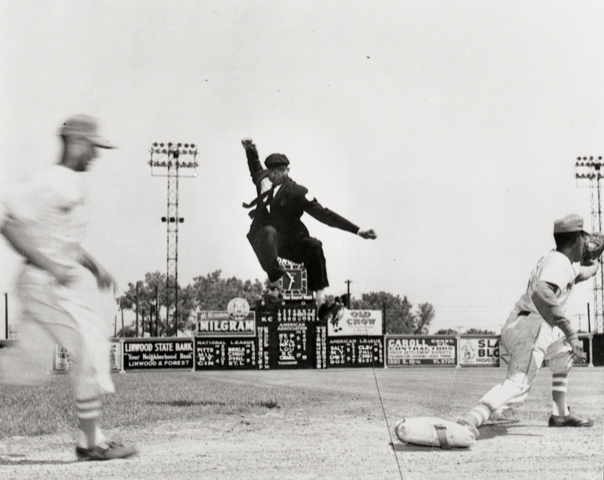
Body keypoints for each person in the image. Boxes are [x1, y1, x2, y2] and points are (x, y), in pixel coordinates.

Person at [0, 115, 138, 461]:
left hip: (48, 284)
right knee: (88, 343)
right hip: (42, 282)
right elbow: (5, 220)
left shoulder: (69, 183)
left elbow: (65, 243)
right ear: (77, 143)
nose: (96, 154)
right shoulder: (51, 180)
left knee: (24, 368)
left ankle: (91, 440)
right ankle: (91, 443)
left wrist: (95, 268)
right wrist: (49, 265)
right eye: (93, 147)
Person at [457, 213, 598, 437]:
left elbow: (588, 272)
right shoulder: (559, 263)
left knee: (564, 352)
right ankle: (472, 418)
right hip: (532, 327)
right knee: (519, 385)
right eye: (585, 239)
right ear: (578, 239)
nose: (587, 243)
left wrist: (593, 257)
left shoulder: (559, 261)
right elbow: (543, 293)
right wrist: (571, 331)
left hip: (524, 322)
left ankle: (560, 413)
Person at [241, 138, 377, 313]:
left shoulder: (297, 191)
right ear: (269, 172)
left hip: (290, 241)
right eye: (273, 171)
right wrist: (250, 149)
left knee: (314, 246)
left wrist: (358, 230)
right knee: (268, 231)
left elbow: (324, 213)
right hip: (265, 240)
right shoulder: (262, 179)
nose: (277, 175)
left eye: (282, 171)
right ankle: (275, 287)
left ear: (287, 171)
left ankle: (321, 302)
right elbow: (254, 166)